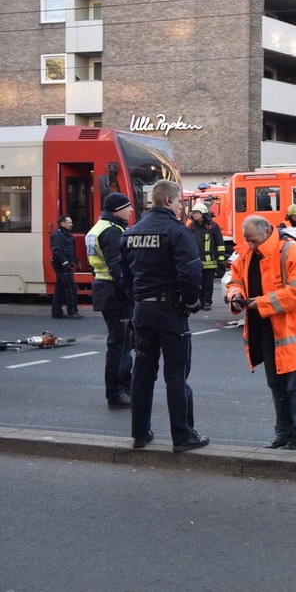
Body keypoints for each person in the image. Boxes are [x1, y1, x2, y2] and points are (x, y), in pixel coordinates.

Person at [119, 179, 208, 452]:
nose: (182, 207)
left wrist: (136, 300)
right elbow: (191, 274)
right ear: (168, 201)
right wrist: (190, 302)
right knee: (176, 375)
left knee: (143, 374)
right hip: (169, 313)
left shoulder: (131, 232)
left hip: (142, 312)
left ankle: (140, 434)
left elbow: (124, 276)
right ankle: (183, 437)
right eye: (180, 201)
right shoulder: (176, 232)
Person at [225, 216, 296, 450]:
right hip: (267, 330)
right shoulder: (247, 252)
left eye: (254, 240)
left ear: (268, 231)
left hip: (292, 331)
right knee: (278, 386)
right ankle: (286, 434)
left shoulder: (291, 252)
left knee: (295, 386)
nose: (251, 245)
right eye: (247, 240)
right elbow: (234, 280)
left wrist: (259, 303)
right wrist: (235, 295)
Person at [86, 193, 134, 409]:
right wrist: (130, 295)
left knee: (122, 343)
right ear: (117, 210)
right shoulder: (112, 231)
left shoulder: (99, 227)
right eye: (128, 207)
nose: (131, 210)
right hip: (115, 292)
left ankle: (124, 388)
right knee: (120, 345)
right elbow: (118, 268)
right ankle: (116, 393)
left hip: (104, 287)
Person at [186, 202, 226, 310]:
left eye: (196, 212)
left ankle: (207, 302)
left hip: (210, 261)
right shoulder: (192, 227)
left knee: (208, 284)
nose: (194, 215)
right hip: (197, 262)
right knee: (198, 283)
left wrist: (221, 256)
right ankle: (200, 302)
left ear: (203, 213)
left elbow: (219, 242)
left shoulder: (213, 226)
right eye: (193, 213)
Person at [50, 215, 82, 319]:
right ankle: (72, 312)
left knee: (60, 288)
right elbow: (57, 251)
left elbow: (67, 250)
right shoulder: (58, 235)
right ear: (63, 223)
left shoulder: (64, 234)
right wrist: (65, 263)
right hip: (62, 264)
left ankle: (56, 312)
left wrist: (75, 261)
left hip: (64, 263)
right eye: (69, 223)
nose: (71, 224)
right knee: (71, 287)